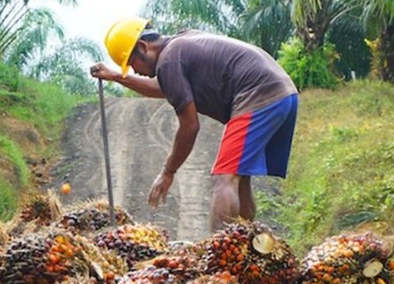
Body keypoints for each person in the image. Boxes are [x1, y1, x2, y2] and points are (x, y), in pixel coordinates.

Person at [90, 16, 298, 231]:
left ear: (143, 47)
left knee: (224, 178)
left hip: (259, 95)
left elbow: (190, 126)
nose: (134, 71)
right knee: (239, 176)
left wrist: (168, 172)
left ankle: (220, 256)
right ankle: (248, 246)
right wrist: (116, 77)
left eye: (132, 63)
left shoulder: (169, 60)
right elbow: (165, 88)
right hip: (283, 93)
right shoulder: (179, 46)